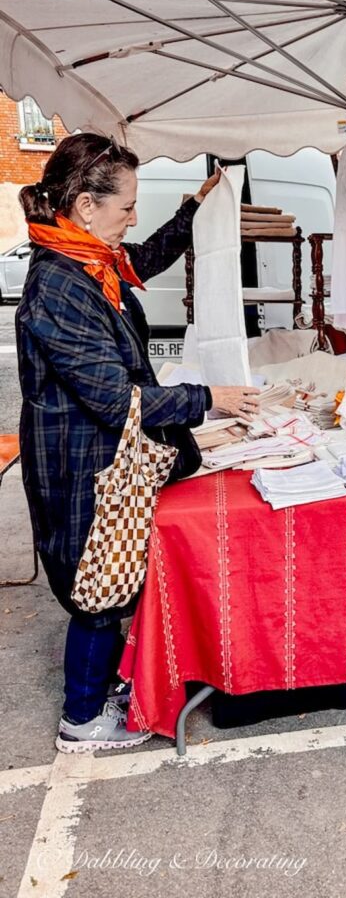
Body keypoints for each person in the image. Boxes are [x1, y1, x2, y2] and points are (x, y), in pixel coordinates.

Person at [16, 133, 260, 753]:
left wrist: (191, 212)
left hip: (99, 454)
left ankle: (101, 690)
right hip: (80, 459)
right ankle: (81, 719)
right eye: (125, 207)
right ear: (84, 206)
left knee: (114, 574)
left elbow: (142, 259)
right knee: (96, 586)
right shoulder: (62, 285)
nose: (132, 218)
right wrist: (211, 399)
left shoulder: (89, 260)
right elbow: (111, 398)